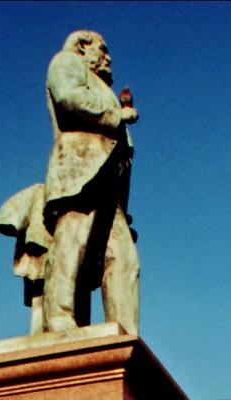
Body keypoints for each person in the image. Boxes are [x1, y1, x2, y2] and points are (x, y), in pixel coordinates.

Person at [42, 30, 139, 334]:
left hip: (109, 184)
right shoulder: (67, 61)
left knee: (124, 258)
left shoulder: (99, 83)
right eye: (103, 50)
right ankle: (59, 316)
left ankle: (124, 333)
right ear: (84, 48)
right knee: (73, 238)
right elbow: (68, 97)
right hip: (79, 171)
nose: (108, 57)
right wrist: (118, 114)